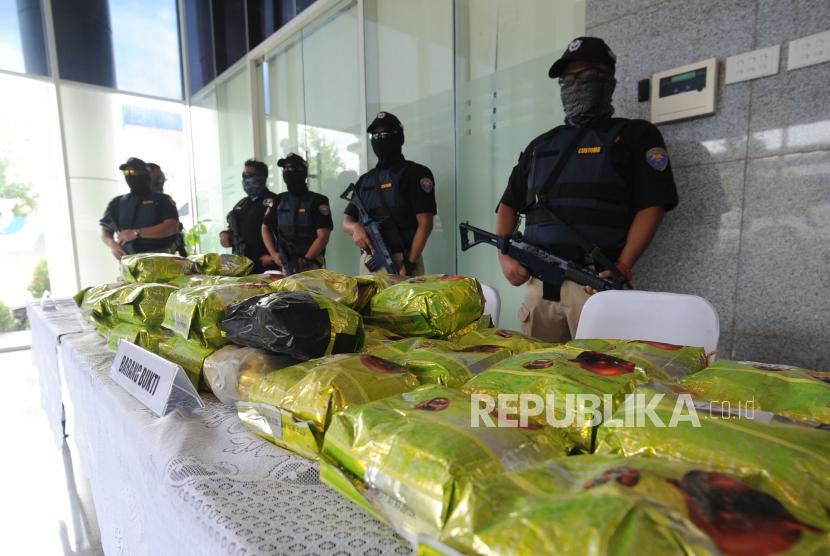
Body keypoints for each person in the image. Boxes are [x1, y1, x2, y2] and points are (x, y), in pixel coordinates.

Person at [496, 37, 678, 342]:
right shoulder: (540, 145)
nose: (578, 84)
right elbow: (508, 204)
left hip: (594, 287)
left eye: (590, 74)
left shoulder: (634, 135)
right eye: (570, 78)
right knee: (536, 378)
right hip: (538, 289)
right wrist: (505, 256)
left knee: (599, 380)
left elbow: (653, 204)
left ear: (609, 80)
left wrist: (623, 265)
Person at [342, 111, 436, 276]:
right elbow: (346, 222)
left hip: (404, 262)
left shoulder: (416, 173)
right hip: (370, 262)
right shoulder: (365, 180)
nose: (379, 138)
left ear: (399, 137)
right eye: (374, 135)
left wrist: (410, 263)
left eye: (384, 134)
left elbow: (425, 224)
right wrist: (355, 228)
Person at [261, 153, 333, 274]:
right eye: (285, 169)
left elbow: (323, 236)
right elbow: (265, 228)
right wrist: (274, 255)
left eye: (292, 169)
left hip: (311, 264)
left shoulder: (318, 201)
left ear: (302, 172)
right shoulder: (277, 201)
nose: (288, 172)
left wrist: (305, 260)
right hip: (285, 264)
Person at [100, 157, 181, 260]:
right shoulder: (117, 203)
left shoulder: (162, 200)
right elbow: (105, 231)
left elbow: (172, 226)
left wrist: (136, 233)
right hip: (129, 262)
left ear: (145, 174)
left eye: (134, 171)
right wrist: (112, 245)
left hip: (160, 262)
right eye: (126, 172)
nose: (130, 175)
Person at [220, 159, 279, 273]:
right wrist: (224, 235)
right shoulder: (241, 204)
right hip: (241, 267)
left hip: (266, 267)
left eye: (249, 175)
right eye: (244, 175)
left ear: (262, 177)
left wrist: (273, 256)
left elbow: (283, 233)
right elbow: (232, 229)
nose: (245, 179)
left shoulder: (274, 201)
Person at [146, 162, 188, 257]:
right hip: (148, 256)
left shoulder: (164, 200)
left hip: (168, 251)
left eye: (162, 179)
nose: (161, 182)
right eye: (157, 179)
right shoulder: (134, 202)